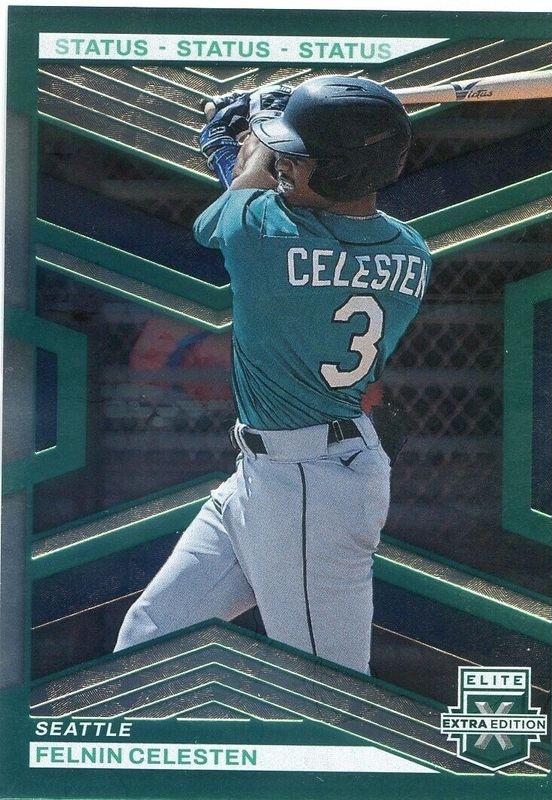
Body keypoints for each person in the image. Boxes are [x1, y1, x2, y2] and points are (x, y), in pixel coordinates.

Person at [114, 75, 432, 675]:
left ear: (339, 170)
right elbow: (265, 207)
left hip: (311, 485)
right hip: (279, 472)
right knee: (151, 640)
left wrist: (249, 131)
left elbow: (236, 205)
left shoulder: (260, 232)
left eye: (297, 156)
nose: (283, 161)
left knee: (327, 689)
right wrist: (274, 136)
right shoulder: (412, 251)